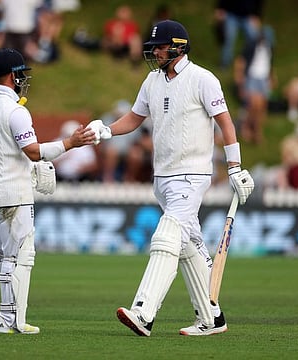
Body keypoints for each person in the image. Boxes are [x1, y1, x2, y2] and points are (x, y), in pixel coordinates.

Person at [86, 20, 254, 336]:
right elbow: (135, 118)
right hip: (162, 176)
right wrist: (106, 130)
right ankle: (212, 318)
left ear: (178, 47)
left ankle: (143, 313)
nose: (156, 52)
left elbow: (226, 124)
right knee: (188, 246)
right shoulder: (152, 81)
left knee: (166, 237)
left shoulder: (203, 79)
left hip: (193, 175)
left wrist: (234, 167)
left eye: (161, 47)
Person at [0, 48, 95, 334]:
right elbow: (34, 152)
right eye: (21, 74)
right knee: (19, 257)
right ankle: (10, 321)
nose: (23, 79)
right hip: (13, 195)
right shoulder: (16, 111)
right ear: (12, 76)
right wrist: (70, 143)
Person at [233, 25, 275, 144]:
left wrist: (271, 77)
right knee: (252, 104)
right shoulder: (251, 45)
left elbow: (269, 62)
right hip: (252, 76)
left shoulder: (269, 47)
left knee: (261, 106)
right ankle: (247, 128)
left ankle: (257, 129)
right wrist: (240, 77)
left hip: (263, 78)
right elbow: (241, 61)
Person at [214, 0, 264, 69]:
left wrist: (257, 15)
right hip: (231, 14)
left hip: (248, 16)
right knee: (228, 38)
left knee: (254, 38)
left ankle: (248, 61)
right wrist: (220, 8)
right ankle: (224, 63)